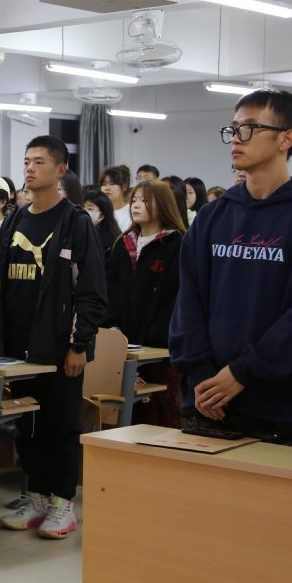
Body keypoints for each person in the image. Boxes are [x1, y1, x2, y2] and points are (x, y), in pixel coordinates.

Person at [170, 89, 292, 449]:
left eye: (249, 128)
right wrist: (202, 374)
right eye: (233, 128)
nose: (236, 138)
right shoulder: (212, 217)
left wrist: (241, 373)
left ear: (286, 138)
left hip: (281, 409)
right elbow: (188, 302)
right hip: (208, 401)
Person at [0, 136, 106, 539]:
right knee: (28, 426)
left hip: (59, 346)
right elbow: (1, 282)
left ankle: (63, 502)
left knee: (61, 425)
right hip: (17, 347)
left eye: (39, 162)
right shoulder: (15, 219)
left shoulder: (75, 221)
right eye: (26, 161)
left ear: (60, 170)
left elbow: (90, 290)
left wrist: (80, 344)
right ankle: (38, 496)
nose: (29, 168)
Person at [104, 180, 186, 428]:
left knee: (159, 417)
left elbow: (178, 298)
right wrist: (113, 326)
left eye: (145, 201)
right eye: (135, 200)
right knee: (122, 417)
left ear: (164, 205)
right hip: (122, 347)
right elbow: (110, 289)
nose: (136, 205)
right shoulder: (123, 243)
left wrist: (156, 336)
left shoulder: (177, 244)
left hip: (160, 351)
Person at [82, 190, 121, 258]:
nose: (84, 212)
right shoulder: (83, 232)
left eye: (90, 209)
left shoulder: (113, 240)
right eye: (83, 208)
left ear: (102, 215)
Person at [100, 164, 132, 232]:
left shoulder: (131, 212)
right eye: (103, 184)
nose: (106, 188)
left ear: (124, 187)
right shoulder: (99, 212)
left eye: (112, 184)